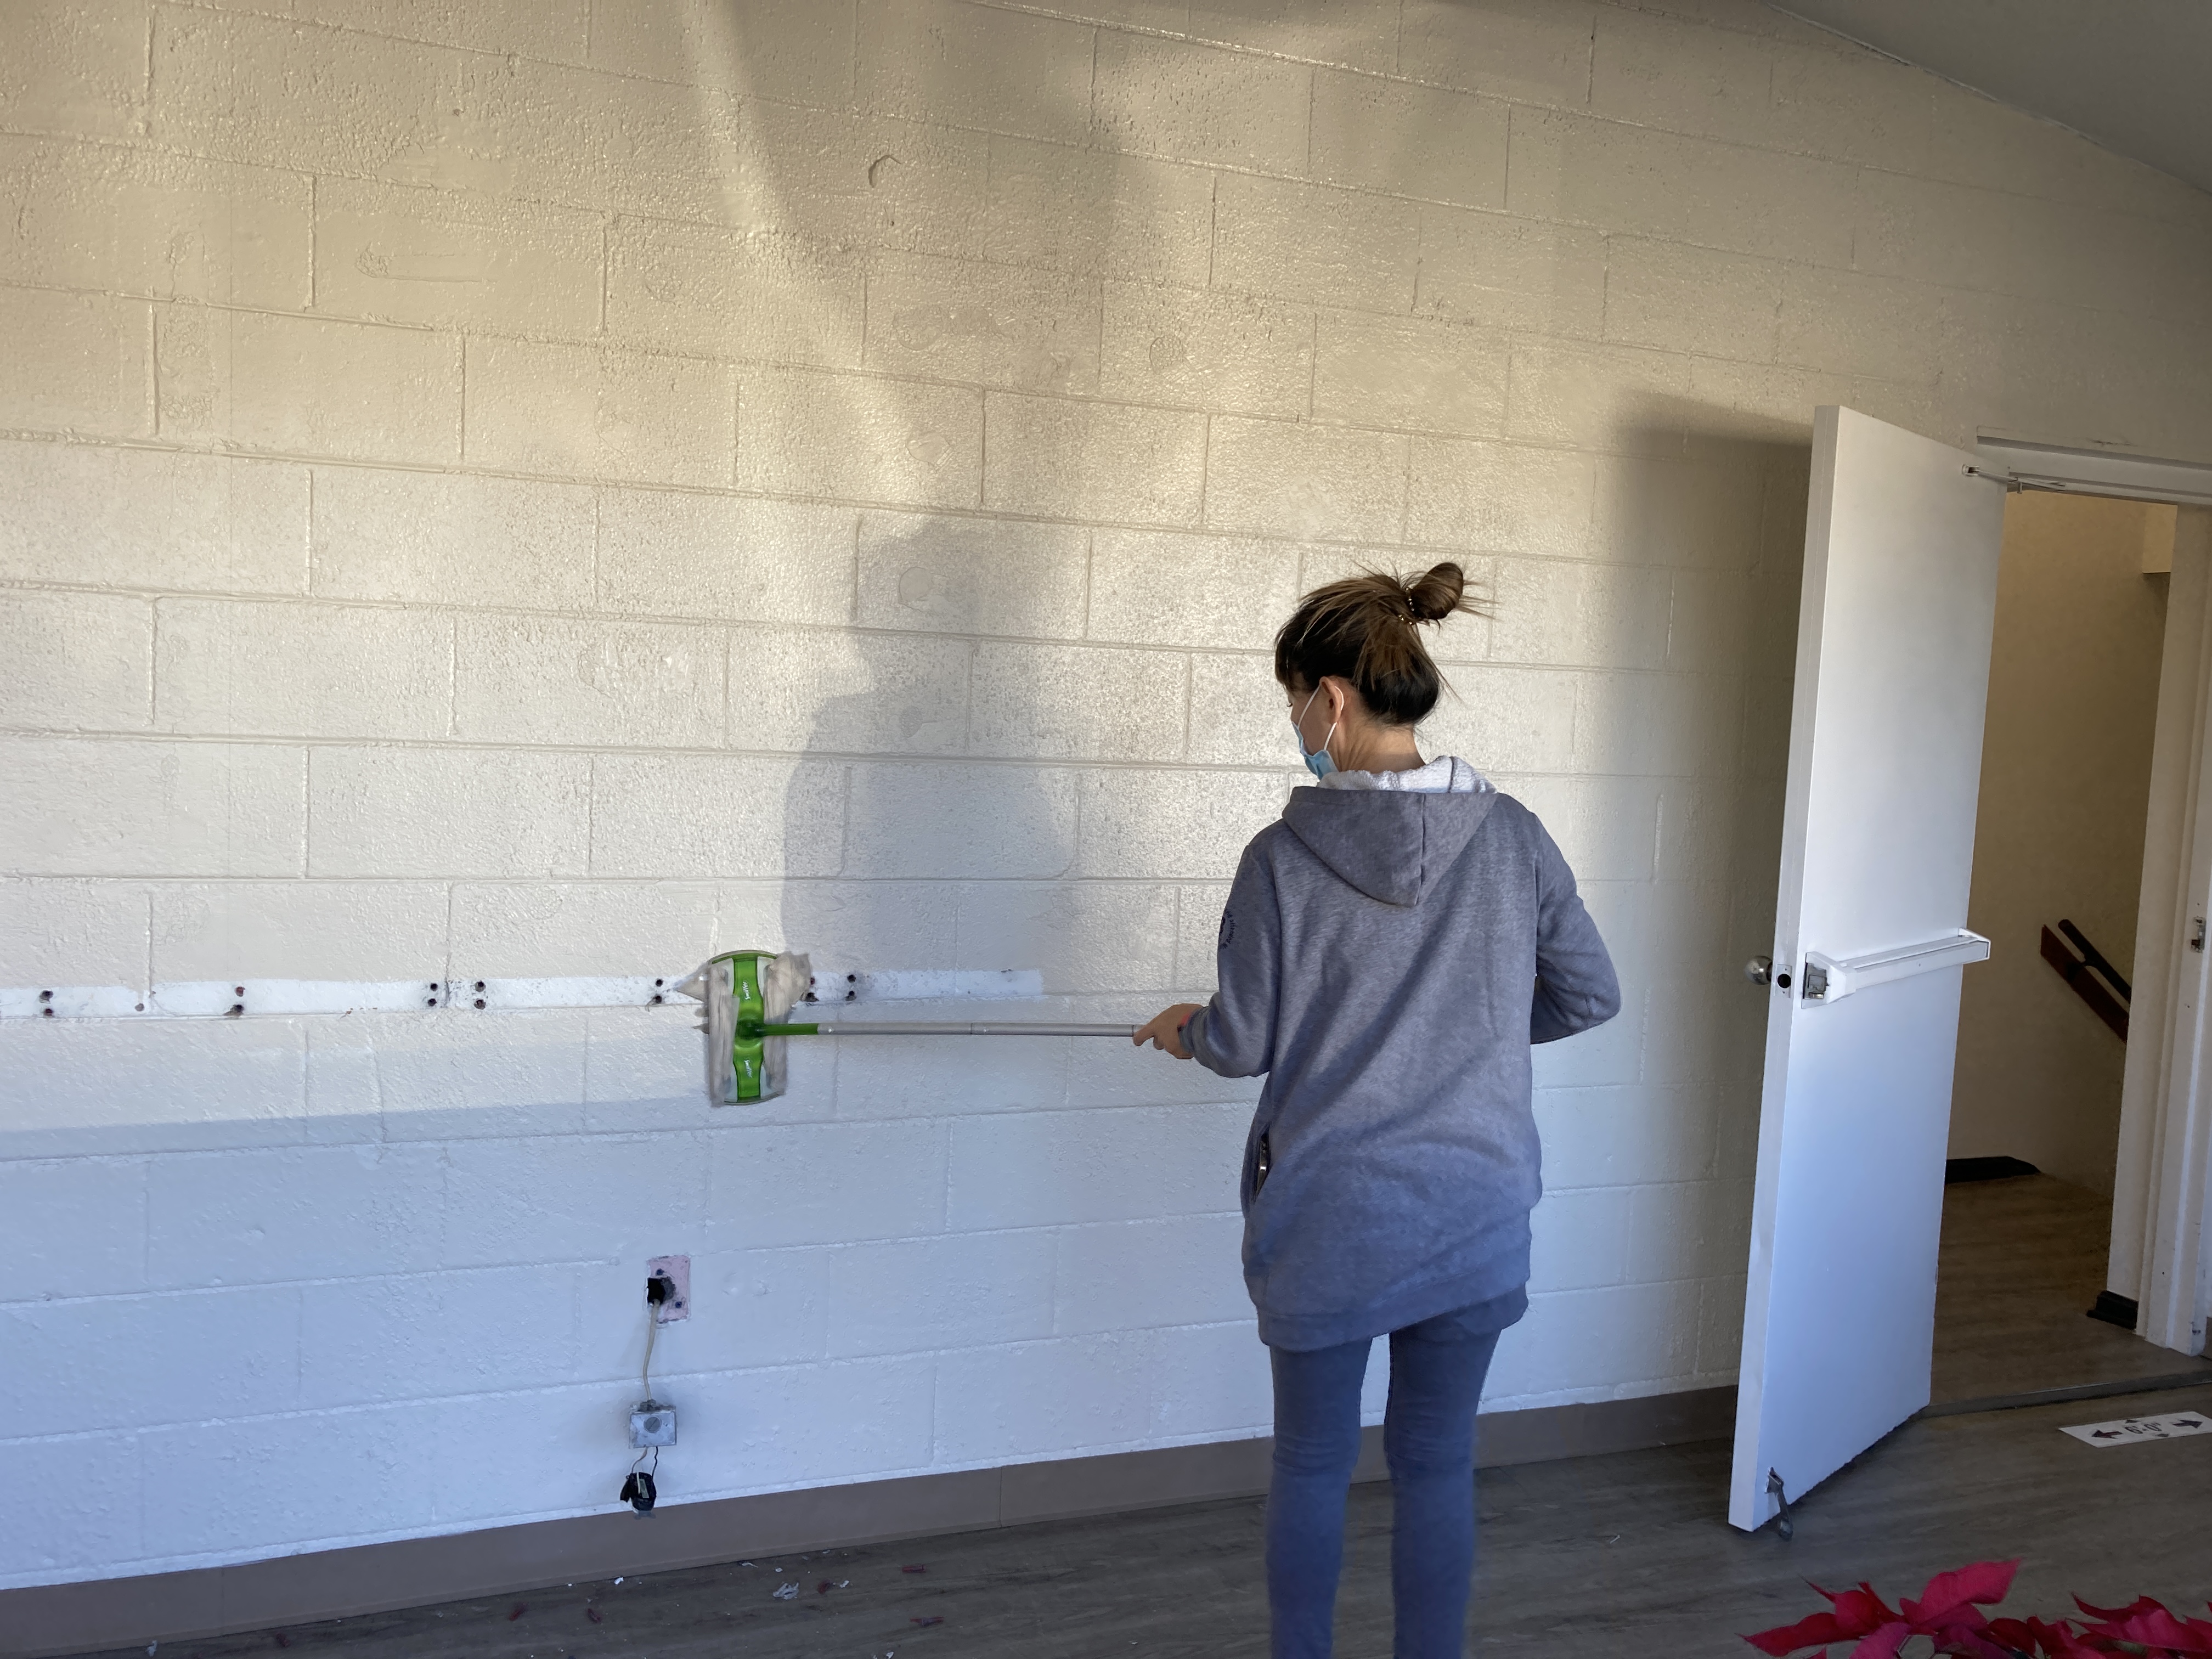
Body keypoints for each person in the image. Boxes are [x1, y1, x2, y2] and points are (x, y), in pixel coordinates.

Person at [1133, 563, 1620, 1659]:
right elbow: (1591, 994)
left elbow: (1243, 1041)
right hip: (1474, 1201)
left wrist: (1187, 1031)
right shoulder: (1515, 837)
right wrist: (1470, 1038)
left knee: (1312, 1464)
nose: (1296, 727)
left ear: (1333, 698)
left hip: (1333, 1215)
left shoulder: (1279, 861)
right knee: (1438, 1463)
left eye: (1294, 702)